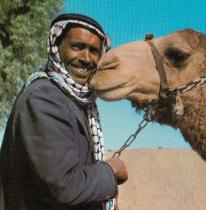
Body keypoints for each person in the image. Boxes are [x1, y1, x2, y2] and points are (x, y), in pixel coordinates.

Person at [0, 13, 128, 210]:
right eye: (77, 47)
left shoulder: (75, 101)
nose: (86, 58)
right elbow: (65, 186)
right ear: (56, 48)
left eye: (94, 51)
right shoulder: (44, 97)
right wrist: (110, 171)